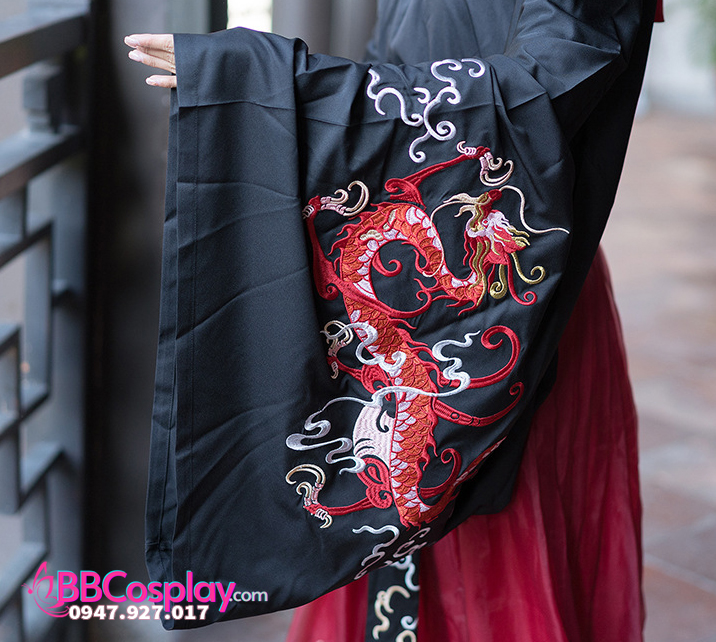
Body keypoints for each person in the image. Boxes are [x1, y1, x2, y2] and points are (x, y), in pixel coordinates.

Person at [127, 1, 657, 639]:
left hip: (516, 296)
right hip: (408, 302)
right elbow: (392, 62)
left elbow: (552, 81)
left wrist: (287, 88)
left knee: (496, 582)